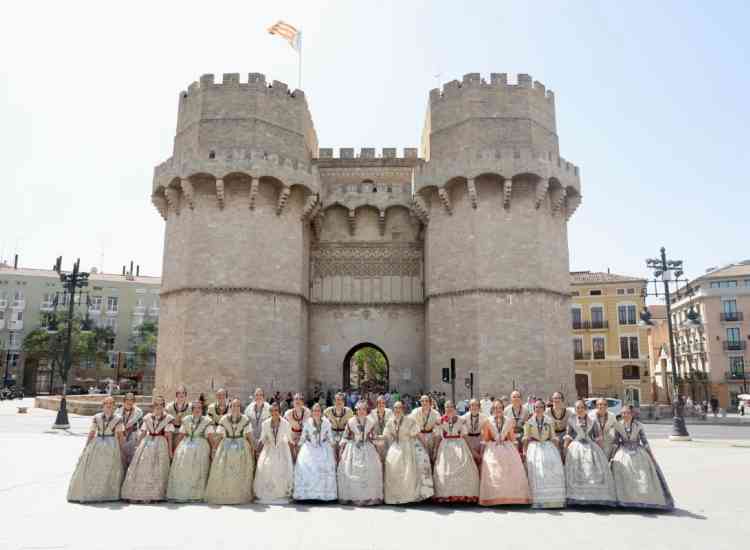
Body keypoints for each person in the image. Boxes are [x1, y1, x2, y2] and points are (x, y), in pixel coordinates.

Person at [611, 405, 674, 510]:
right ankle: (625, 499)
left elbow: (644, 442)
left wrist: (650, 454)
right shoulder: (618, 425)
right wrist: (612, 455)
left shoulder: (638, 425)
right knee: (621, 469)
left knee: (642, 473)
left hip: (637, 450)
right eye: (622, 413)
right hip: (623, 450)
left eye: (626, 413)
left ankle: (642, 499)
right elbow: (616, 442)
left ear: (632, 414)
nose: (624, 415)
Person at [67, 396, 124, 503]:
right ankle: (92, 492)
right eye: (106, 404)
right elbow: (92, 433)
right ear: (103, 406)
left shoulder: (118, 418)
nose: (108, 406)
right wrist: (86, 446)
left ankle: (106, 493)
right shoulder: (97, 417)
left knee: (109, 468)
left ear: (114, 406)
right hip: (97, 443)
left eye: (111, 404)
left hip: (111, 444)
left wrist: (122, 449)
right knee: (94, 467)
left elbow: (120, 435)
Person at [121, 396, 174, 503]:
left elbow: (169, 436)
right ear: (153, 406)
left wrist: (170, 450)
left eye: (161, 405)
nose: (158, 407)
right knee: (143, 465)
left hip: (161, 443)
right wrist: (138, 445)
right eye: (156, 405)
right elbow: (143, 432)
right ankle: (138, 493)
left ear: (164, 406)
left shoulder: (168, 418)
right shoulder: (148, 417)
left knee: (158, 468)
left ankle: (155, 495)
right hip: (147, 442)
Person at [563, 400, 616, 507]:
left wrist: (601, 452)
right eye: (577, 408)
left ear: (585, 409)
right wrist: (565, 449)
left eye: (582, 407)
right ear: (575, 409)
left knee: (592, 470)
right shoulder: (571, 420)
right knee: (577, 471)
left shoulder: (592, 420)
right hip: (576, 447)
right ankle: (577, 497)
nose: (580, 410)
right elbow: (568, 435)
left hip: (591, 447)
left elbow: (597, 437)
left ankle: (593, 497)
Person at [478, 400, 530, 506]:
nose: (498, 410)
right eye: (496, 408)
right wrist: (482, 453)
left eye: (500, 408)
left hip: (507, 447)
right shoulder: (488, 421)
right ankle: (495, 497)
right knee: (494, 472)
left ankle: (510, 497)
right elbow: (485, 439)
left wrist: (517, 452)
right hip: (493, 448)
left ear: (503, 409)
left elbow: (512, 437)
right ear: (492, 410)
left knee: (510, 471)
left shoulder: (509, 421)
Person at [205, 398, 255, 504]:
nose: (235, 408)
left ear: (240, 407)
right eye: (233, 406)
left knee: (240, 471)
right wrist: (214, 448)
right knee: (224, 470)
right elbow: (218, 436)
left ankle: (239, 496)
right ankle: (225, 495)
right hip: (226, 447)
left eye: (237, 406)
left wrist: (252, 448)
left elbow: (249, 435)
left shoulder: (245, 419)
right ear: (230, 407)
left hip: (241, 446)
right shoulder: (223, 419)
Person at [383, 401, 434, 504]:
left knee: (409, 472)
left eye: (399, 408)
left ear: (403, 409)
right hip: (396, 447)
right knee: (393, 469)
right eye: (395, 408)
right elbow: (386, 435)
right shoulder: (390, 421)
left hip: (408, 446)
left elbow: (419, 435)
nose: (397, 410)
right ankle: (396, 497)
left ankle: (409, 497)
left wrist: (426, 447)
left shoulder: (410, 420)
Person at [432, 400, 480, 503]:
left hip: (460, 445)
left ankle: (462, 495)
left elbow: (465, 435)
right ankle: (446, 495)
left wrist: (472, 450)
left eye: (451, 407)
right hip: (445, 446)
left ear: (454, 408)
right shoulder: (440, 420)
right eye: (447, 407)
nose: (449, 409)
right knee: (443, 469)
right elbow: (437, 436)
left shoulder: (461, 420)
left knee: (464, 467)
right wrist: (435, 450)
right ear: (444, 409)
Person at [337, 401, 384, 506]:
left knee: (372, 468)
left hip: (367, 447)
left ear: (366, 410)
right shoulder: (351, 421)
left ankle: (369, 497)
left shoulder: (371, 422)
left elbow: (373, 437)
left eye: (363, 409)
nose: (361, 411)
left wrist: (378, 447)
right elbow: (345, 436)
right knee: (350, 470)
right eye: (359, 409)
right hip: (353, 447)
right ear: (356, 411)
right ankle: (353, 497)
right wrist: (341, 450)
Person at [523, 399, 565, 509]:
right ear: (534, 409)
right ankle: (537, 499)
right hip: (534, 446)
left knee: (552, 466)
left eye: (541, 407)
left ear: (544, 409)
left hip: (547, 445)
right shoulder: (529, 422)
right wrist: (524, 450)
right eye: (536, 407)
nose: (538, 409)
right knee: (537, 469)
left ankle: (552, 499)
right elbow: (526, 437)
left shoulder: (549, 421)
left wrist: (557, 447)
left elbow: (553, 436)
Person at [166, 400, 212, 502]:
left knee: (198, 468)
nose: (197, 410)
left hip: (201, 445)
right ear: (192, 410)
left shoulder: (206, 421)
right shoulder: (186, 420)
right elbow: (181, 435)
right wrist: (174, 449)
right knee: (182, 464)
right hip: (186, 443)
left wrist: (213, 450)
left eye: (199, 408)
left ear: (202, 410)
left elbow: (210, 437)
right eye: (195, 408)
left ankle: (195, 495)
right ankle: (181, 493)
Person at [293, 403, 337, 501]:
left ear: (321, 412)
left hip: (323, 447)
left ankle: (323, 495)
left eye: (318, 411)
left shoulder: (326, 423)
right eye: (314, 411)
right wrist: (297, 448)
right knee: (306, 467)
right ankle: (306, 495)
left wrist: (334, 449)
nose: (316, 413)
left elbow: (330, 437)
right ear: (312, 412)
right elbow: (303, 437)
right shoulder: (307, 422)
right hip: (309, 448)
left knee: (324, 468)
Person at [254, 402, 295, 504]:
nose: (274, 412)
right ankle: (269, 492)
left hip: (282, 449)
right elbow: (262, 439)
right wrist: (256, 451)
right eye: (272, 410)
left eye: (276, 410)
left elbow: (290, 439)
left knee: (281, 467)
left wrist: (294, 454)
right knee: (266, 466)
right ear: (270, 412)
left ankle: (281, 493)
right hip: (270, 448)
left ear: (279, 411)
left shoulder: (286, 423)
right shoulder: (265, 423)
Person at [410, 394, 441, 462]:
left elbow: (438, 428)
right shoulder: (415, 412)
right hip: (418, 437)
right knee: (420, 458)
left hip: (431, 437)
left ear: (430, 402)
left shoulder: (435, 413)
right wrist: (418, 434)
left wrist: (435, 446)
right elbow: (411, 424)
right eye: (422, 401)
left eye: (426, 401)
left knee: (432, 456)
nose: (424, 403)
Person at [115, 392, 143, 468]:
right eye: (127, 399)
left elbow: (141, 425)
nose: (129, 401)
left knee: (131, 457)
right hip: (120, 436)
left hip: (132, 436)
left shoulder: (138, 412)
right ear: (124, 400)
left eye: (131, 399)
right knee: (120, 458)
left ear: (134, 401)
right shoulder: (118, 410)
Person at [324, 392, 354, 459]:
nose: (339, 402)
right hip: (332, 434)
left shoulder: (349, 412)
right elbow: (321, 423)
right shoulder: (327, 411)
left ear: (344, 402)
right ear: (334, 401)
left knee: (343, 454)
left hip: (344, 435)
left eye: (341, 400)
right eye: (337, 399)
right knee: (332, 453)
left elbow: (353, 425)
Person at [284, 393, 311, 461]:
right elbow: (283, 426)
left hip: (303, 435)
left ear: (303, 402)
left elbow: (308, 426)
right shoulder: (288, 413)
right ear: (293, 402)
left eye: (300, 399)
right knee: (291, 453)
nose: (298, 401)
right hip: (291, 435)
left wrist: (301, 439)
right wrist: (291, 439)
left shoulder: (307, 412)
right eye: (296, 399)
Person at [461, 398, 488, 466]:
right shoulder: (464, 418)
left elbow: (485, 434)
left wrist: (481, 452)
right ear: (469, 407)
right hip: (468, 440)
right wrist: (473, 452)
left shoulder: (484, 417)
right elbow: (463, 434)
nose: (474, 407)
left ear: (479, 407)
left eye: (476, 405)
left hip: (480, 440)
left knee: (481, 461)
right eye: (472, 405)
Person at [546, 392, 572, 460]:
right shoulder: (547, 412)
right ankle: (558, 459)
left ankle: (565, 459)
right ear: (552, 400)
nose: (557, 400)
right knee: (555, 441)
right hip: (552, 434)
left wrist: (567, 436)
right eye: (555, 398)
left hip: (564, 433)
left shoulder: (568, 412)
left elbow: (571, 426)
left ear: (562, 400)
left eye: (559, 398)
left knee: (567, 441)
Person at [165, 385, 190, 453]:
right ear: (176, 395)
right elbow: (166, 419)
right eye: (179, 393)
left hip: (183, 431)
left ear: (185, 395)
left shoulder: (190, 407)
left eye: (183, 393)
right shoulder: (169, 406)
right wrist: (175, 420)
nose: (181, 395)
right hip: (171, 430)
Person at [504, 390, 530, 456]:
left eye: (518, 397)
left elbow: (527, 425)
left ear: (521, 399)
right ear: (511, 399)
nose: (516, 399)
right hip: (510, 435)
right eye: (514, 397)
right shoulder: (506, 410)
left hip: (522, 435)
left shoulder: (526, 410)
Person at [369, 394, 392, 463]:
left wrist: (385, 435)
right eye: (379, 402)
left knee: (387, 459)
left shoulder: (389, 412)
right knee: (377, 460)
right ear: (376, 404)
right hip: (376, 439)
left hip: (387, 439)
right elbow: (369, 425)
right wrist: (374, 435)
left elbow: (392, 425)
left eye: (383, 403)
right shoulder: (372, 412)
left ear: (385, 404)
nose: (381, 404)